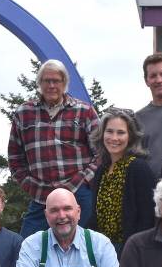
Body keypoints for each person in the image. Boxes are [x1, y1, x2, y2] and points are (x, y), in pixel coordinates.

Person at [7, 59, 100, 238]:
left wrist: (84, 181)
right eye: (46, 81)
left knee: (87, 244)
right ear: (39, 84)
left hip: (77, 192)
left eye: (56, 81)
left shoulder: (84, 111)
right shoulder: (24, 113)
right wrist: (29, 185)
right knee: (28, 246)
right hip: (41, 194)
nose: (51, 85)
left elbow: (101, 153)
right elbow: (15, 157)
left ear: (64, 83)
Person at [85, 107, 156, 254]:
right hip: (103, 250)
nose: (114, 138)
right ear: (102, 134)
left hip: (131, 251)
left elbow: (148, 219)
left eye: (121, 132)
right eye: (109, 131)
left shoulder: (139, 168)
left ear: (130, 136)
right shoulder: (101, 170)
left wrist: (134, 251)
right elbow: (95, 215)